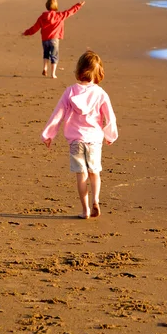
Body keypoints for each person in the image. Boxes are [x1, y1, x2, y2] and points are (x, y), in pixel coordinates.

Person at [41, 51, 118, 219]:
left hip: (76, 140)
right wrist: (110, 135)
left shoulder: (70, 92)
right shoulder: (100, 93)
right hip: (94, 140)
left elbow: (58, 114)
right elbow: (109, 116)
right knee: (94, 172)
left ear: (79, 70)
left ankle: (85, 210)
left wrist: (48, 134)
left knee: (81, 175)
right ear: (98, 73)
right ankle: (96, 200)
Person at [22, 0, 85, 79]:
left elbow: (35, 28)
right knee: (54, 56)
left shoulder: (42, 17)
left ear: (47, 6)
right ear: (56, 6)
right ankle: (53, 74)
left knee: (46, 54)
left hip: (45, 39)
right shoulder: (60, 15)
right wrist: (78, 5)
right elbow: (70, 12)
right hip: (54, 39)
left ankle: (45, 68)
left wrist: (26, 32)